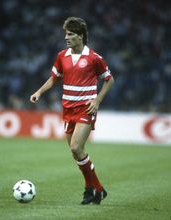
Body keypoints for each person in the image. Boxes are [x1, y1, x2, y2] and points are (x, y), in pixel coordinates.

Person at [30, 17, 115, 205]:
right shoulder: (62, 56)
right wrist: (39, 92)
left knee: (76, 147)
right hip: (68, 109)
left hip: (86, 109)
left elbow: (109, 79)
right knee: (76, 152)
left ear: (81, 36)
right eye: (65, 34)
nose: (66, 37)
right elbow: (54, 78)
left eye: (70, 34)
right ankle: (90, 189)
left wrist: (98, 100)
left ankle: (97, 188)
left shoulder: (94, 58)